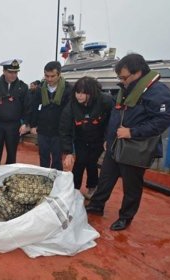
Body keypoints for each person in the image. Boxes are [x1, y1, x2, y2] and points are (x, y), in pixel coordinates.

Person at [86, 53, 170, 231]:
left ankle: (125, 217)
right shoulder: (127, 89)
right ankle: (96, 205)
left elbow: (162, 121)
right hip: (115, 144)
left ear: (138, 73)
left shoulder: (157, 92)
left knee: (132, 185)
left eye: (124, 77)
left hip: (135, 147)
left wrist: (132, 132)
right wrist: (109, 140)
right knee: (106, 177)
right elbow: (116, 116)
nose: (122, 81)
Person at [59, 76, 113, 199]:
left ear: (91, 93)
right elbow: (64, 128)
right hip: (81, 138)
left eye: (83, 93)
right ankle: (74, 188)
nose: (79, 96)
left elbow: (113, 121)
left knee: (92, 162)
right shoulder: (72, 105)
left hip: (98, 138)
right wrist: (68, 151)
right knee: (80, 161)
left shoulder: (106, 101)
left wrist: (107, 138)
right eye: (78, 92)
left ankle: (92, 186)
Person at [30, 61, 72, 170]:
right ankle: (44, 178)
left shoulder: (68, 90)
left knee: (57, 158)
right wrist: (33, 125)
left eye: (52, 76)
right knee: (43, 157)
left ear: (59, 74)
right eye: (46, 76)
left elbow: (69, 112)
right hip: (43, 130)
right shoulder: (39, 89)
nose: (49, 79)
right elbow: (34, 107)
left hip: (58, 131)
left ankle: (56, 180)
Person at [0, 59, 29, 165]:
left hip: (14, 125)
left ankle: (9, 179)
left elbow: (27, 107)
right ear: (4, 71)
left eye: (15, 72)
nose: (13, 75)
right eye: (10, 72)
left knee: (12, 155)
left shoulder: (23, 87)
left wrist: (25, 123)